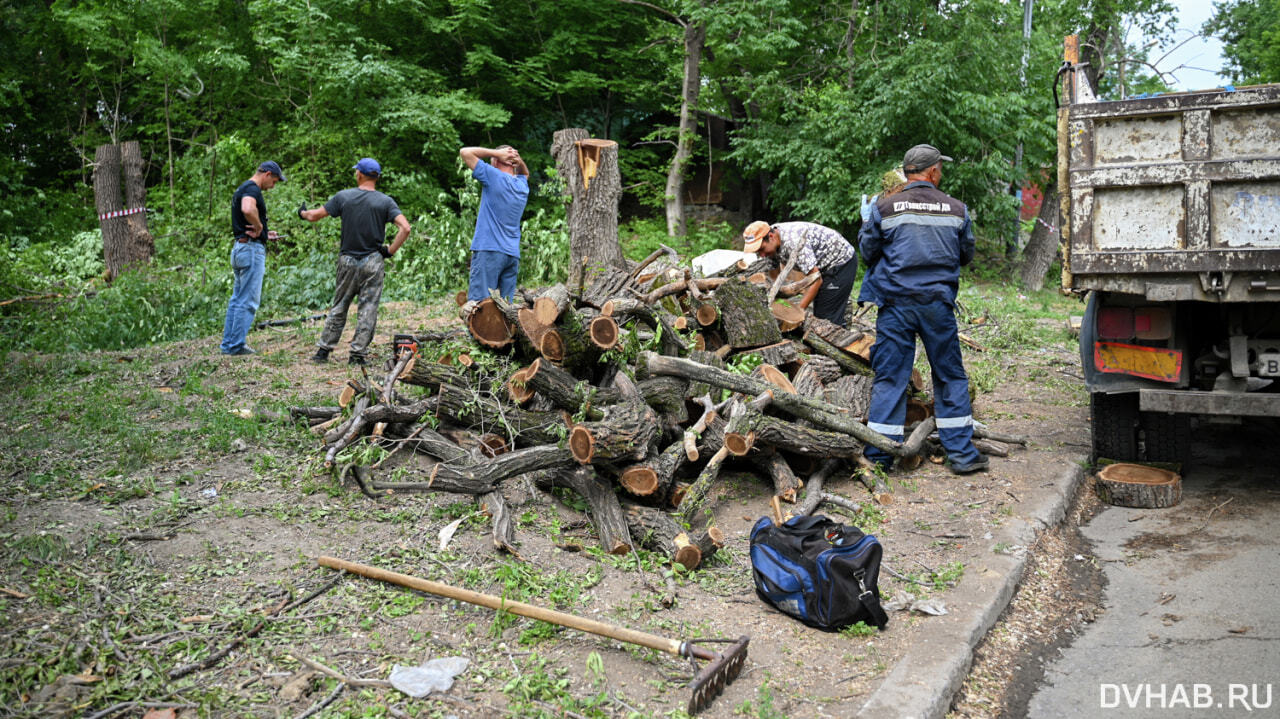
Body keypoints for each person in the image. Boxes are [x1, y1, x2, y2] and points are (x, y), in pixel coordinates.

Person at [858, 144, 987, 474]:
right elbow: (965, 255)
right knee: (949, 375)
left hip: (896, 305)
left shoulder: (885, 207)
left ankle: (879, 457)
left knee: (890, 379)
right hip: (936, 305)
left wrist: (866, 222)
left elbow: (869, 253)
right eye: (940, 168)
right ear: (931, 172)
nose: (941, 173)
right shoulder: (957, 209)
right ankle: (961, 454)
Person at [299, 158, 411, 365]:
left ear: (359, 174)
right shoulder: (385, 202)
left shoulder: (344, 197)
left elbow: (314, 216)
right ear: (377, 177)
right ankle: (357, 354)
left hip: (348, 260)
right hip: (373, 260)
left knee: (340, 304)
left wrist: (303, 213)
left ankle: (323, 351)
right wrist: (390, 250)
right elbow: (405, 228)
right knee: (368, 307)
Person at [220, 160, 285, 356]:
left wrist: (265, 232)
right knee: (248, 300)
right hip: (250, 250)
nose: (273, 186)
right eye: (273, 181)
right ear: (266, 174)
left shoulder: (242, 187)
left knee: (237, 298)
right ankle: (236, 346)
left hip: (241, 247)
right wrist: (258, 227)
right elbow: (248, 209)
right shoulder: (252, 189)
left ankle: (229, 344)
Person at [740, 220, 858, 326]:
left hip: (840, 262)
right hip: (821, 265)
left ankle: (840, 341)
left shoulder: (794, 242)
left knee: (826, 317)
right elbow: (772, 272)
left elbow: (816, 280)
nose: (762, 255)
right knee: (820, 310)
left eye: (761, 249)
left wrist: (797, 313)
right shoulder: (772, 238)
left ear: (771, 236)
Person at [460, 145, 529, 302]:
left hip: (488, 250)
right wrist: (518, 160)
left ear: (496, 162)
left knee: (480, 306)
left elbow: (465, 152)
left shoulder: (493, 176)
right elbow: (525, 172)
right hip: (511, 254)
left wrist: (497, 153)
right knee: (505, 309)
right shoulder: (521, 186)